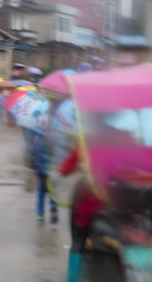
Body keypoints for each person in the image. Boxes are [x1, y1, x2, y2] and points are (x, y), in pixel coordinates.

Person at [58, 148, 104, 282]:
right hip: (117, 201)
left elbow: (65, 169)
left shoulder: (86, 141)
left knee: (78, 240)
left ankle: (73, 278)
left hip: (90, 200)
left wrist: (65, 169)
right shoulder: (125, 139)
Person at [30, 111, 58, 226]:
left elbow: (32, 154)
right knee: (53, 192)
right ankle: (53, 207)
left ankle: (40, 215)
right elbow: (58, 154)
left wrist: (34, 166)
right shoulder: (55, 139)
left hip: (41, 170)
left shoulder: (37, 139)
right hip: (52, 170)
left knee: (41, 193)